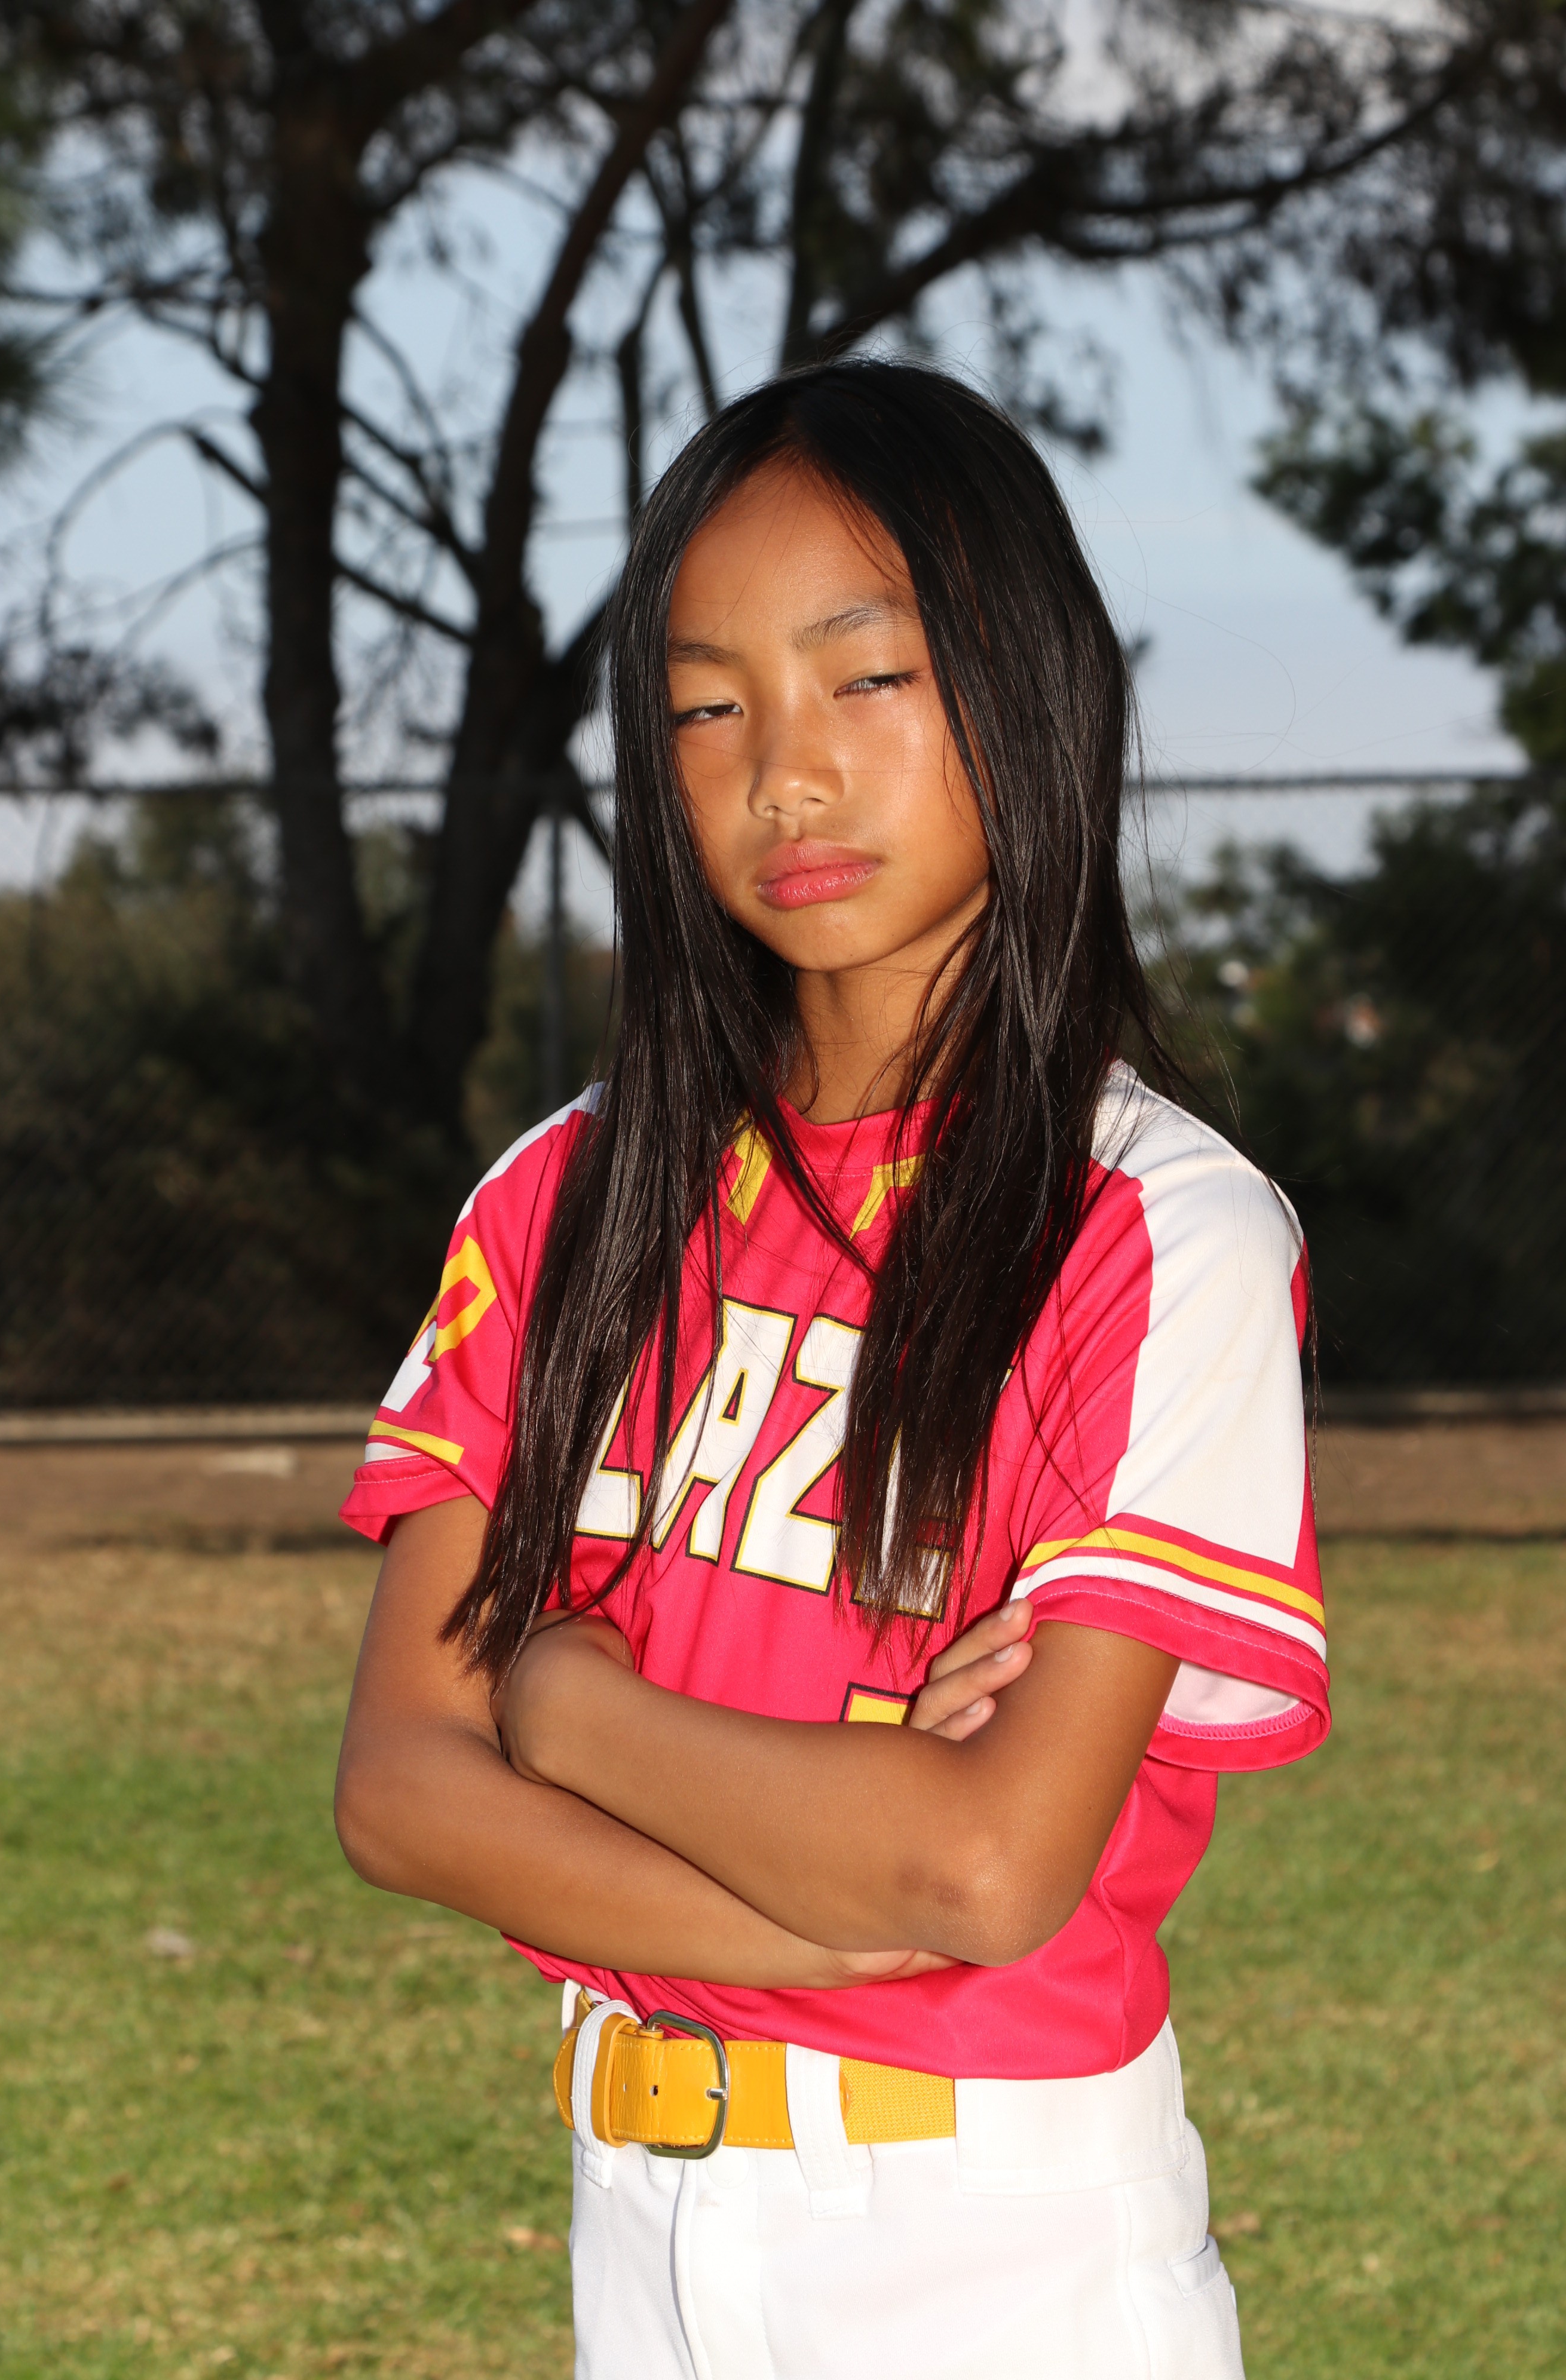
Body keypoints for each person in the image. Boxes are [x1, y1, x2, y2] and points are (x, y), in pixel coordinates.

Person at [334, 361, 1329, 2380]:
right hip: (635, 2212)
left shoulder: (1159, 1229)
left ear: (1031, 690)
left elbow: (984, 1861)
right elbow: (400, 1792)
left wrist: (566, 1702)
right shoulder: (564, 1198)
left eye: (866, 677)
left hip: (997, 2239)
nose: (786, 774)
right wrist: (818, 1911)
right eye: (708, 709)